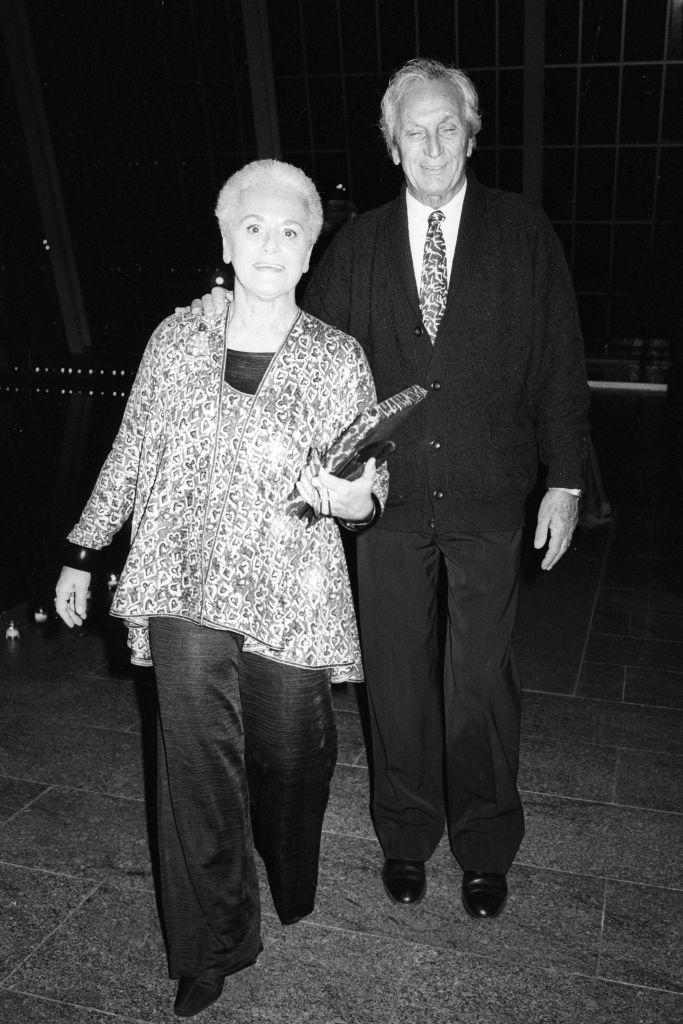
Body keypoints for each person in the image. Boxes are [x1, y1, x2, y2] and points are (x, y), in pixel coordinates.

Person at [187, 59, 589, 922]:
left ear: (470, 134)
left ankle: (484, 843)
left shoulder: (523, 234)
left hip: (489, 493)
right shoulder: (360, 244)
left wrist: (565, 479)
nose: (433, 144)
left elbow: (560, 362)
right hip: (387, 500)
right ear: (391, 142)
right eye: (416, 130)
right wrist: (225, 321)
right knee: (397, 678)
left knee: (480, 680)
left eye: (448, 127)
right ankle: (405, 834)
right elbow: (305, 343)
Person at [54, 159, 388, 1019]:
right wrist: (82, 550)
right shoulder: (176, 341)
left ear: (309, 249)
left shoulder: (336, 356)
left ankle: (284, 856)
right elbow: (130, 452)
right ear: (225, 238)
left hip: (292, 589)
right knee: (195, 771)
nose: (270, 245)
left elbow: (366, 480)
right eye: (253, 227)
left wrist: (358, 501)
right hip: (183, 579)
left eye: (289, 231)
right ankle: (211, 942)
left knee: (291, 757)